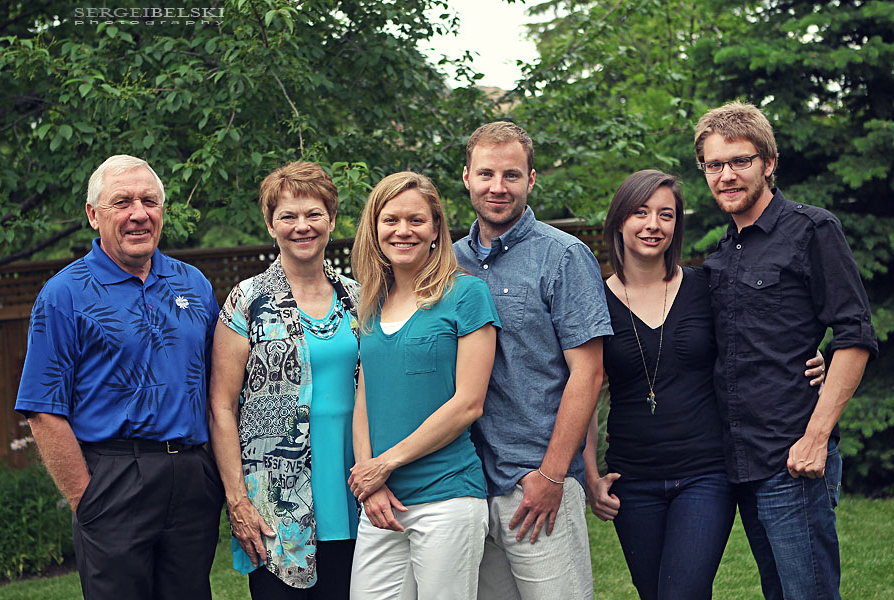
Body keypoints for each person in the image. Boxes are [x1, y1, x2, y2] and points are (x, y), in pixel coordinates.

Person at [584, 170, 826, 600]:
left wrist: (807, 356)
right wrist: (590, 474)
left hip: (705, 472)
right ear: (619, 220)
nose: (653, 225)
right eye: (640, 213)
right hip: (632, 478)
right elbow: (583, 387)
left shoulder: (704, 285)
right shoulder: (591, 300)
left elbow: (755, 339)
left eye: (666, 214)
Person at [14, 155, 223, 600]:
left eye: (150, 201)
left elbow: (218, 390)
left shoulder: (194, 285)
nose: (139, 214)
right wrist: (86, 501)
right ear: (93, 215)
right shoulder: (64, 294)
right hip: (113, 476)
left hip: (190, 476)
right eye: (122, 202)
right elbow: (41, 409)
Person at [695, 102, 878, 599]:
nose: (726, 175)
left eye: (740, 161)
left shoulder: (812, 230)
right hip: (741, 459)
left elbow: (855, 335)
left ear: (768, 163)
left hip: (793, 457)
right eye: (714, 165)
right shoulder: (719, 254)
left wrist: (816, 437)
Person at [453, 121, 612, 599]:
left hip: (535, 483)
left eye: (511, 175)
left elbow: (589, 372)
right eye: (485, 174)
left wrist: (552, 475)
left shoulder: (563, 256)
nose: (497, 187)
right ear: (466, 178)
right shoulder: (447, 262)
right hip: (467, 481)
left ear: (532, 179)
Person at [208, 162, 360, 600]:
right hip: (277, 503)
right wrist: (237, 501)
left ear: (331, 219)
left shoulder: (359, 297)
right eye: (288, 216)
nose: (302, 226)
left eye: (313, 214)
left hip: (356, 489)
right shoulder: (248, 300)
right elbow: (221, 406)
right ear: (271, 224)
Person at [348, 171, 499, 599]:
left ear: (436, 230)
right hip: (380, 500)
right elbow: (365, 396)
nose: (403, 230)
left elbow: (469, 403)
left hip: (447, 497)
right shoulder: (372, 303)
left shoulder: (466, 294)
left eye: (416, 220)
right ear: (375, 229)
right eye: (390, 220)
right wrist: (368, 478)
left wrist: (386, 463)